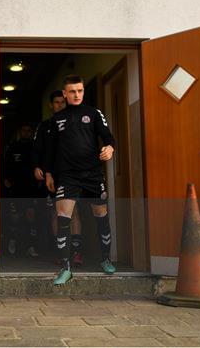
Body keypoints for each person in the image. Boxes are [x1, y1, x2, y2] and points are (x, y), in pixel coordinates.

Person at [45, 75, 116, 285]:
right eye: (72, 91)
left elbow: (107, 136)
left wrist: (109, 148)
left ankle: (105, 259)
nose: (77, 95)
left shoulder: (94, 113)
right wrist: (49, 173)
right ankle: (65, 268)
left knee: (101, 216)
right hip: (67, 176)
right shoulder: (56, 119)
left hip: (93, 174)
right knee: (63, 217)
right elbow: (50, 150)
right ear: (65, 94)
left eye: (80, 91)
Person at [32, 91, 83, 266]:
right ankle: (61, 253)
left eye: (62, 102)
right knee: (55, 212)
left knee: (74, 211)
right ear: (51, 105)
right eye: (56, 102)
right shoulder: (45, 126)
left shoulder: (75, 123)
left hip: (72, 174)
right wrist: (37, 166)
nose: (59, 105)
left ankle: (76, 253)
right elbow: (37, 148)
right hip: (51, 175)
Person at [3, 122, 40, 257]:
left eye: (28, 130)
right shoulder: (13, 147)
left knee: (31, 216)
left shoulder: (35, 147)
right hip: (15, 188)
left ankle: (31, 246)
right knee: (14, 217)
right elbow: (5, 164)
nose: (26, 132)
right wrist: (6, 179)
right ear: (20, 131)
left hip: (30, 187)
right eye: (23, 130)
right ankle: (12, 241)